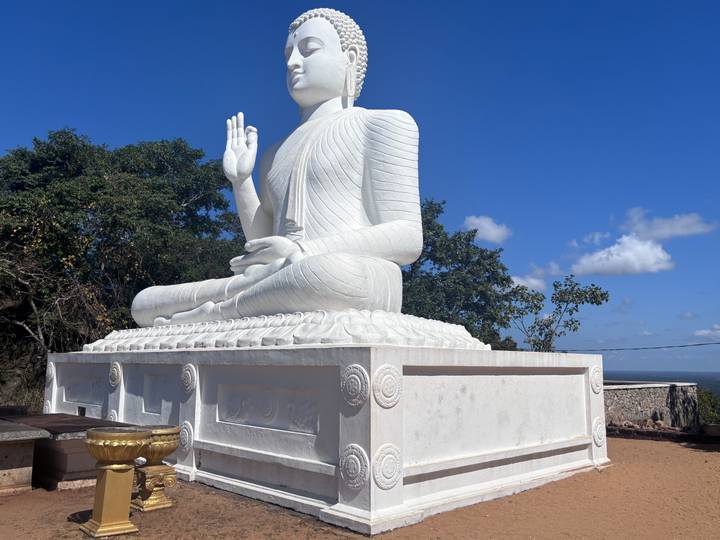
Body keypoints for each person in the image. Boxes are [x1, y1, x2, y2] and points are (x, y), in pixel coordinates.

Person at [131, 8, 422, 327]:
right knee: (144, 303)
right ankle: (232, 303)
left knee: (329, 273)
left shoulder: (383, 124)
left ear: (349, 59)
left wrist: (302, 249)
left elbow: (408, 236)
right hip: (276, 276)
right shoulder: (273, 153)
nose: (293, 62)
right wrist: (241, 182)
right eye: (288, 54)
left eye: (308, 49)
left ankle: (213, 313)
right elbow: (263, 238)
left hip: (348, 272)